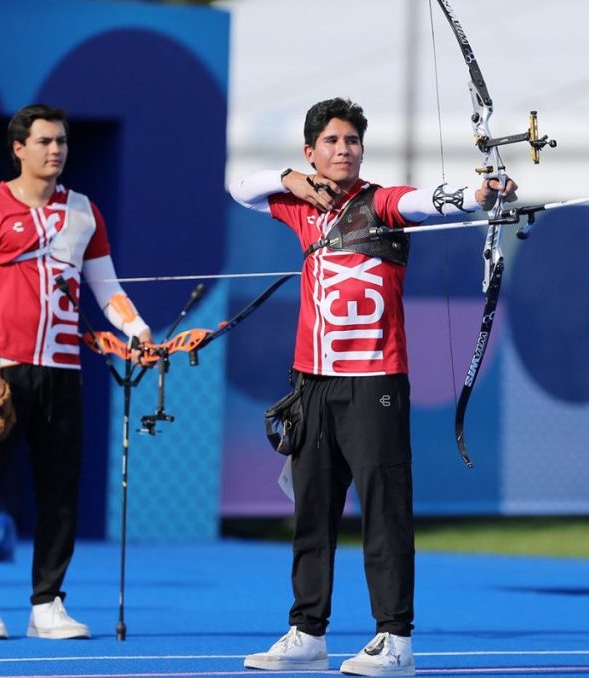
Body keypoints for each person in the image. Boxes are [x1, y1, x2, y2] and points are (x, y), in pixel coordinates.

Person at [230, 97, 517, 676]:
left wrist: (481, 195)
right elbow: (240, 187)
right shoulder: (297, 206)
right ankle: (307, 632)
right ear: (311, 152)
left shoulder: (381, 202)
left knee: (384, 512)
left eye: (352, 141)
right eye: (332, 142)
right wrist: (289, 178)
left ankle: (395, 639)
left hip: (374, 384)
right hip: (312, 385)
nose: (344, 150)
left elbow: (429, 202)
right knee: (313, 512)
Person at [0, 104, 153, 640]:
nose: (55, 150)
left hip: (62, 372)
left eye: (61, 141)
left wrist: (138, 332)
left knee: (60, 492)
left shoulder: (84, 211)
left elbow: (107, 290)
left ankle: (47, 603)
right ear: (19, 148)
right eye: (43, 141)